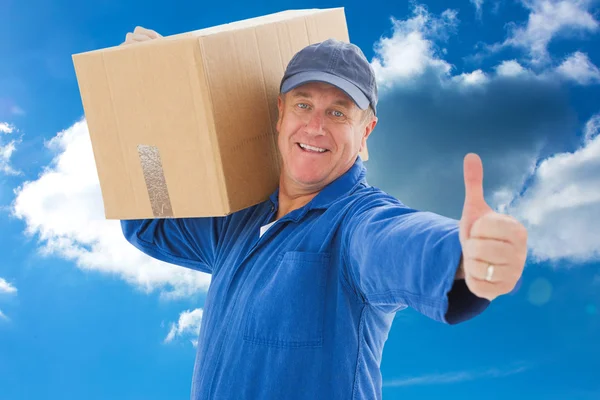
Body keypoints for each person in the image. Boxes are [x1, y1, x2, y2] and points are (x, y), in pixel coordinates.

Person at [120, 26, 527, 400]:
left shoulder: (355, 222)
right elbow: (148, 220)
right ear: (280, 114)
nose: (315, 127)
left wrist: (465, 253)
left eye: (338, 112)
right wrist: (146, 98)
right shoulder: (236, 228)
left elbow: (399, 240)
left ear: (365, 132)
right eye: (303, 104)